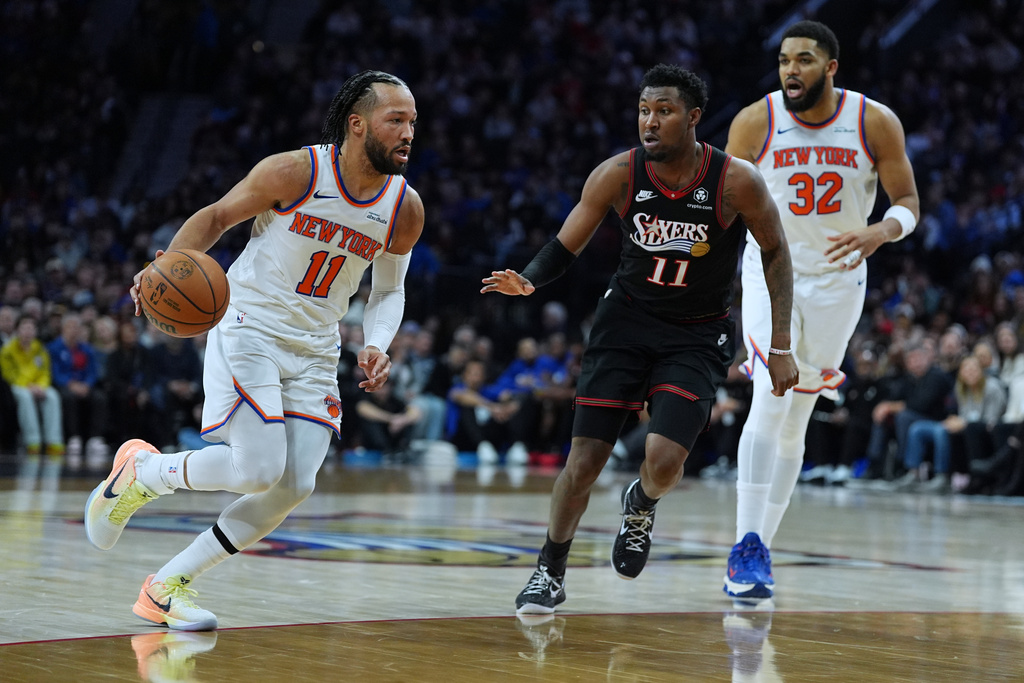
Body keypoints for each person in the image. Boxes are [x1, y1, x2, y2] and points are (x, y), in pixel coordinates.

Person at [84, 70, 424, 631]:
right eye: (396, 120)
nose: (409, 132)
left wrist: (376, 343)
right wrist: (161, 269)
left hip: (316, 346)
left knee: (295, 484)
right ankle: (143, 472)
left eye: (413, 122)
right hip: (250, 324)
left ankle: (165, 587)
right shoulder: (296, 170)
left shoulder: (404, 208)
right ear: (357, 124)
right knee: (260, 467)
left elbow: (389, 290)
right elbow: (216, 217)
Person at [482, 64, 798, 615]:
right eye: (644, 111)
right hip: (624, 325)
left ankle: (641, 503)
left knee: (664, 457)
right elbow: (565, 244)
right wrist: (529, 277)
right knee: (583, 462)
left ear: (694, 118)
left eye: (664, 111)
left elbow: (775, 252)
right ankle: (549, 570)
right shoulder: (618, 174)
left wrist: (780, 344)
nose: (650, 122)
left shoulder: (736, 181)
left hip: (696, 334)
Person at [724, 20, 920, 600]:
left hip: (839, 282)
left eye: (804, 60)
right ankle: (745, 544)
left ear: (830, 67)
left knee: (799, 416)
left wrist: (881, 230)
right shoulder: (756, 121)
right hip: (769, 272)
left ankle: (759, 551)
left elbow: (908, 202)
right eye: (785, 59)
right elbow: (721, 205)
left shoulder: (872, 121)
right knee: (770, 393)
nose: (791, 70)